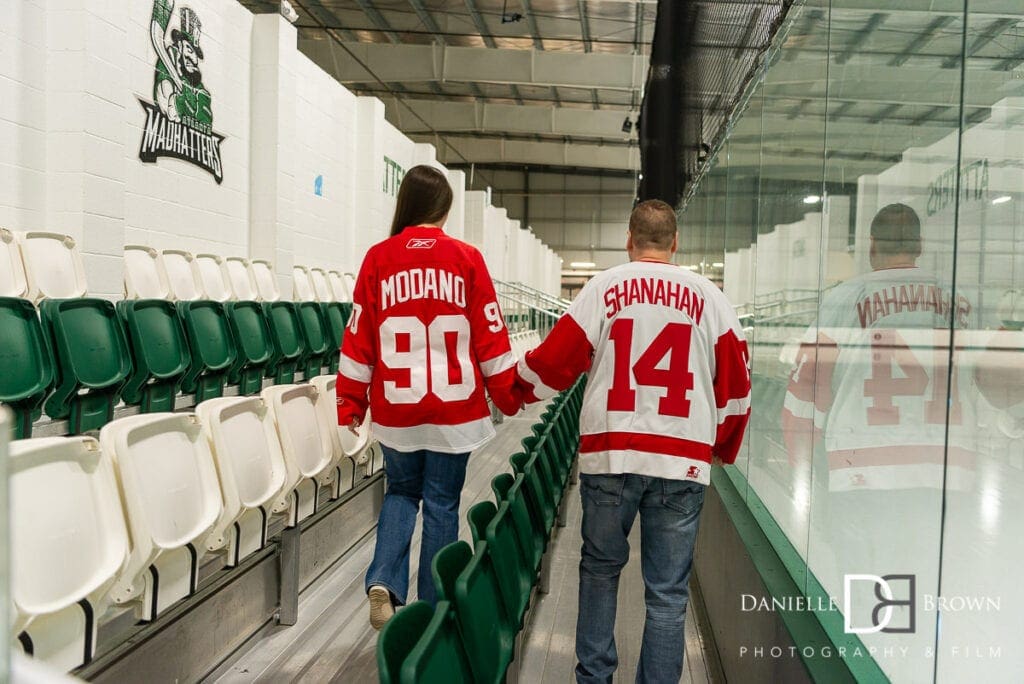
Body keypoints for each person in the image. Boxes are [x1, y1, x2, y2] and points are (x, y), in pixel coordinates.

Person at [514, 199, 751, 683]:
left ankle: (594, 679)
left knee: (600, 573)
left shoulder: (604, 287)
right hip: (682, 462)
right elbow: (737, 386)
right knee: (667, 594)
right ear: (675, 242)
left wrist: (514, 389)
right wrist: (723, 446)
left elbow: (556, 360)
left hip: (611, 456)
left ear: (629, 239)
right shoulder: (711, 297)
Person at [335, 165, 522, 630]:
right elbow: (491, 336)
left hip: (397, 410)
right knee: (441, 503)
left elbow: (358, 341)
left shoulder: (378, 259)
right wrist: (509, 393)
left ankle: (383, 579)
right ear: (444, 209)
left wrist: (349, 404)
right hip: (453, 413)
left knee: (401, 492)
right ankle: (433, 612)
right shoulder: (467, 258)